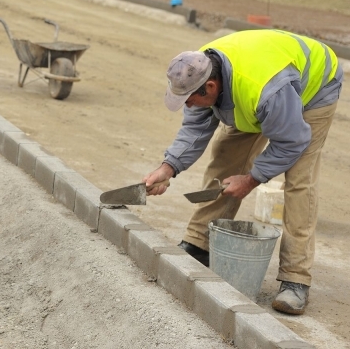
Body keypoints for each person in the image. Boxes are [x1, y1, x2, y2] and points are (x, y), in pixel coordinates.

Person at [143, 30, 343, 315]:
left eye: (188, 100)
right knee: (226, 153)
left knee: (300, 179)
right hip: (258, 88)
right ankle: (200, 243)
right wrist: (168, 167)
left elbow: (292, 141)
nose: (186, 105)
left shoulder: (265, 92)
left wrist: (252, 179)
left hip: (314, 86)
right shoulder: (198, 70)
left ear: (210, 88)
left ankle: (295, 279)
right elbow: (195, 129)